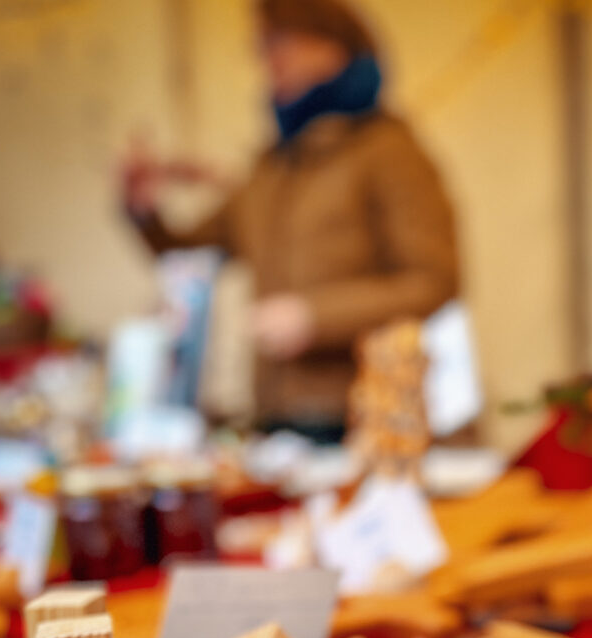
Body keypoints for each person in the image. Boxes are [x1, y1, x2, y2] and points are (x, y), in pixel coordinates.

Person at [122, 0, 459, 440]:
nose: (266, 60)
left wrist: (314, 317)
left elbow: (434, 282)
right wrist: (144, 211)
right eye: (260, 46)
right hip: (276, 413)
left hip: (362, 415)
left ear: (333, 48)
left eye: (279, 43)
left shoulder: (388, 152)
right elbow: (190, 255)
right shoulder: (273, 166)